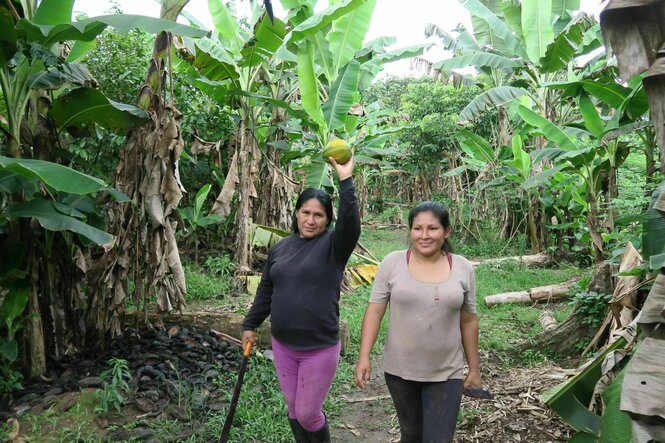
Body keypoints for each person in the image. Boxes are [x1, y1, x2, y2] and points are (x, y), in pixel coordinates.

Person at [241, 155, 360, 443]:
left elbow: (350, 225)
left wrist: (345, 180)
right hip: (283, 345)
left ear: (328, 220)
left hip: (318, 346)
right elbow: (266, 290)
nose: (310, 220)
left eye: (318, 215)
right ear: (296, 213)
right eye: (305, 212)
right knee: (294, 412)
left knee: (308, 414)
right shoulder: (281, 248)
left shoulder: (333, 246)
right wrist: (250, 324)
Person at [354, 201, 481, 443]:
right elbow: (374, 312)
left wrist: (474, 369)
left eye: (432, 229)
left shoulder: (463, 268)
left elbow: (469, 321)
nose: (424, 236)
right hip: (401, 370)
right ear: (410, 230)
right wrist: (364, 357)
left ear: (447, 231)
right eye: (417, 229)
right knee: (411, 435)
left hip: (447, 371)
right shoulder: (392, 263)